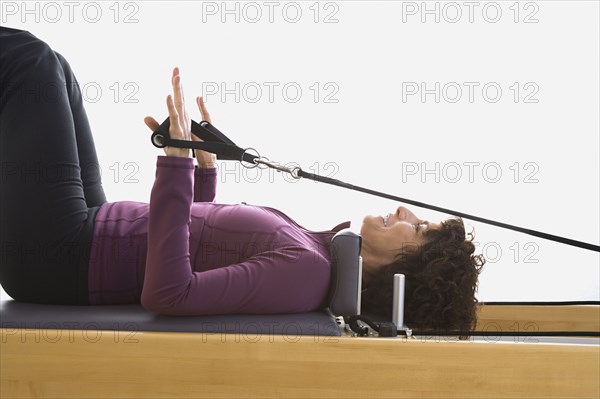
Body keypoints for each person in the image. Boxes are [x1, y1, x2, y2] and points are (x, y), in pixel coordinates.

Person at [0, 27, 484, 333]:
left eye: (418, 229)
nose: (405, 213)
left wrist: (176, 164)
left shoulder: (307, 273)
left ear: (401, 268)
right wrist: (205, 172)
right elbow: (200, 241)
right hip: (89, 233)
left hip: (65, 255)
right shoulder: (315, 255)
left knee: (31, 62)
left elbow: (171, 292)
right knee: (59, 71)